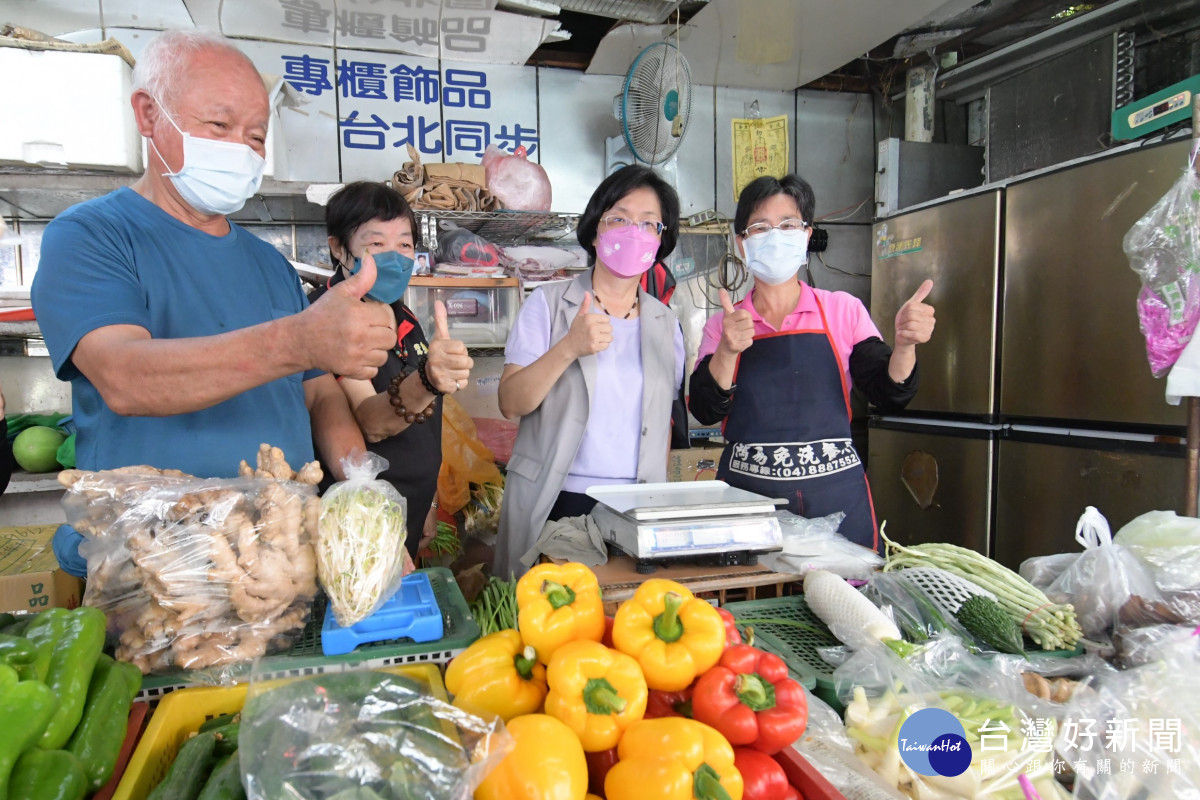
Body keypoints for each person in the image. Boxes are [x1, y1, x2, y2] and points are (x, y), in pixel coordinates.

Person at [30, 29, 396, 576]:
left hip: (282, 560)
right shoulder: (90, 236)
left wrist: (362, 498)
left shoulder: (269, 264)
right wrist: (297, 340)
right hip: (153, 566)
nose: (241, 149)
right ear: (150, 115)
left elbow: (319, 396)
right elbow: (125, 377)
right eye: (219, 126)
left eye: (254, 136)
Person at [688, 174, 936, 551]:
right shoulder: (722, 324)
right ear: (741, 243)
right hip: (751, 503)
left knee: (843, 604)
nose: (775, 235)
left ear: (806, 235)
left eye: (788, 225)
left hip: (836, 500)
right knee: (754, 606)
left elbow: (889, 392)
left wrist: (904, 346)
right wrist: (727, 350)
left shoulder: (842, 310)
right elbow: (704, 409)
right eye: (760, 227)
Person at [496, 165, 686, 578]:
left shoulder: (665, 323)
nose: (633, 231)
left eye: (649, 223)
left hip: (637, 507)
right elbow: (511, 402)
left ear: (661, 240)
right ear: (595, 229)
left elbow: (662, 424)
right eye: (618, 218)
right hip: (558, 497)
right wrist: (568, 348)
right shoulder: (548, 305)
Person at [309, 182, 473, 560]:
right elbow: (371, 422)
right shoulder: (326, 321)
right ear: (338, 248)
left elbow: (427, 426)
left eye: (404, 244)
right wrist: (429, 381)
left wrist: (428, 503)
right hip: (362, 517)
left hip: (409, 509)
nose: (396, 257)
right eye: (376, 243)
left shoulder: (403, 314)